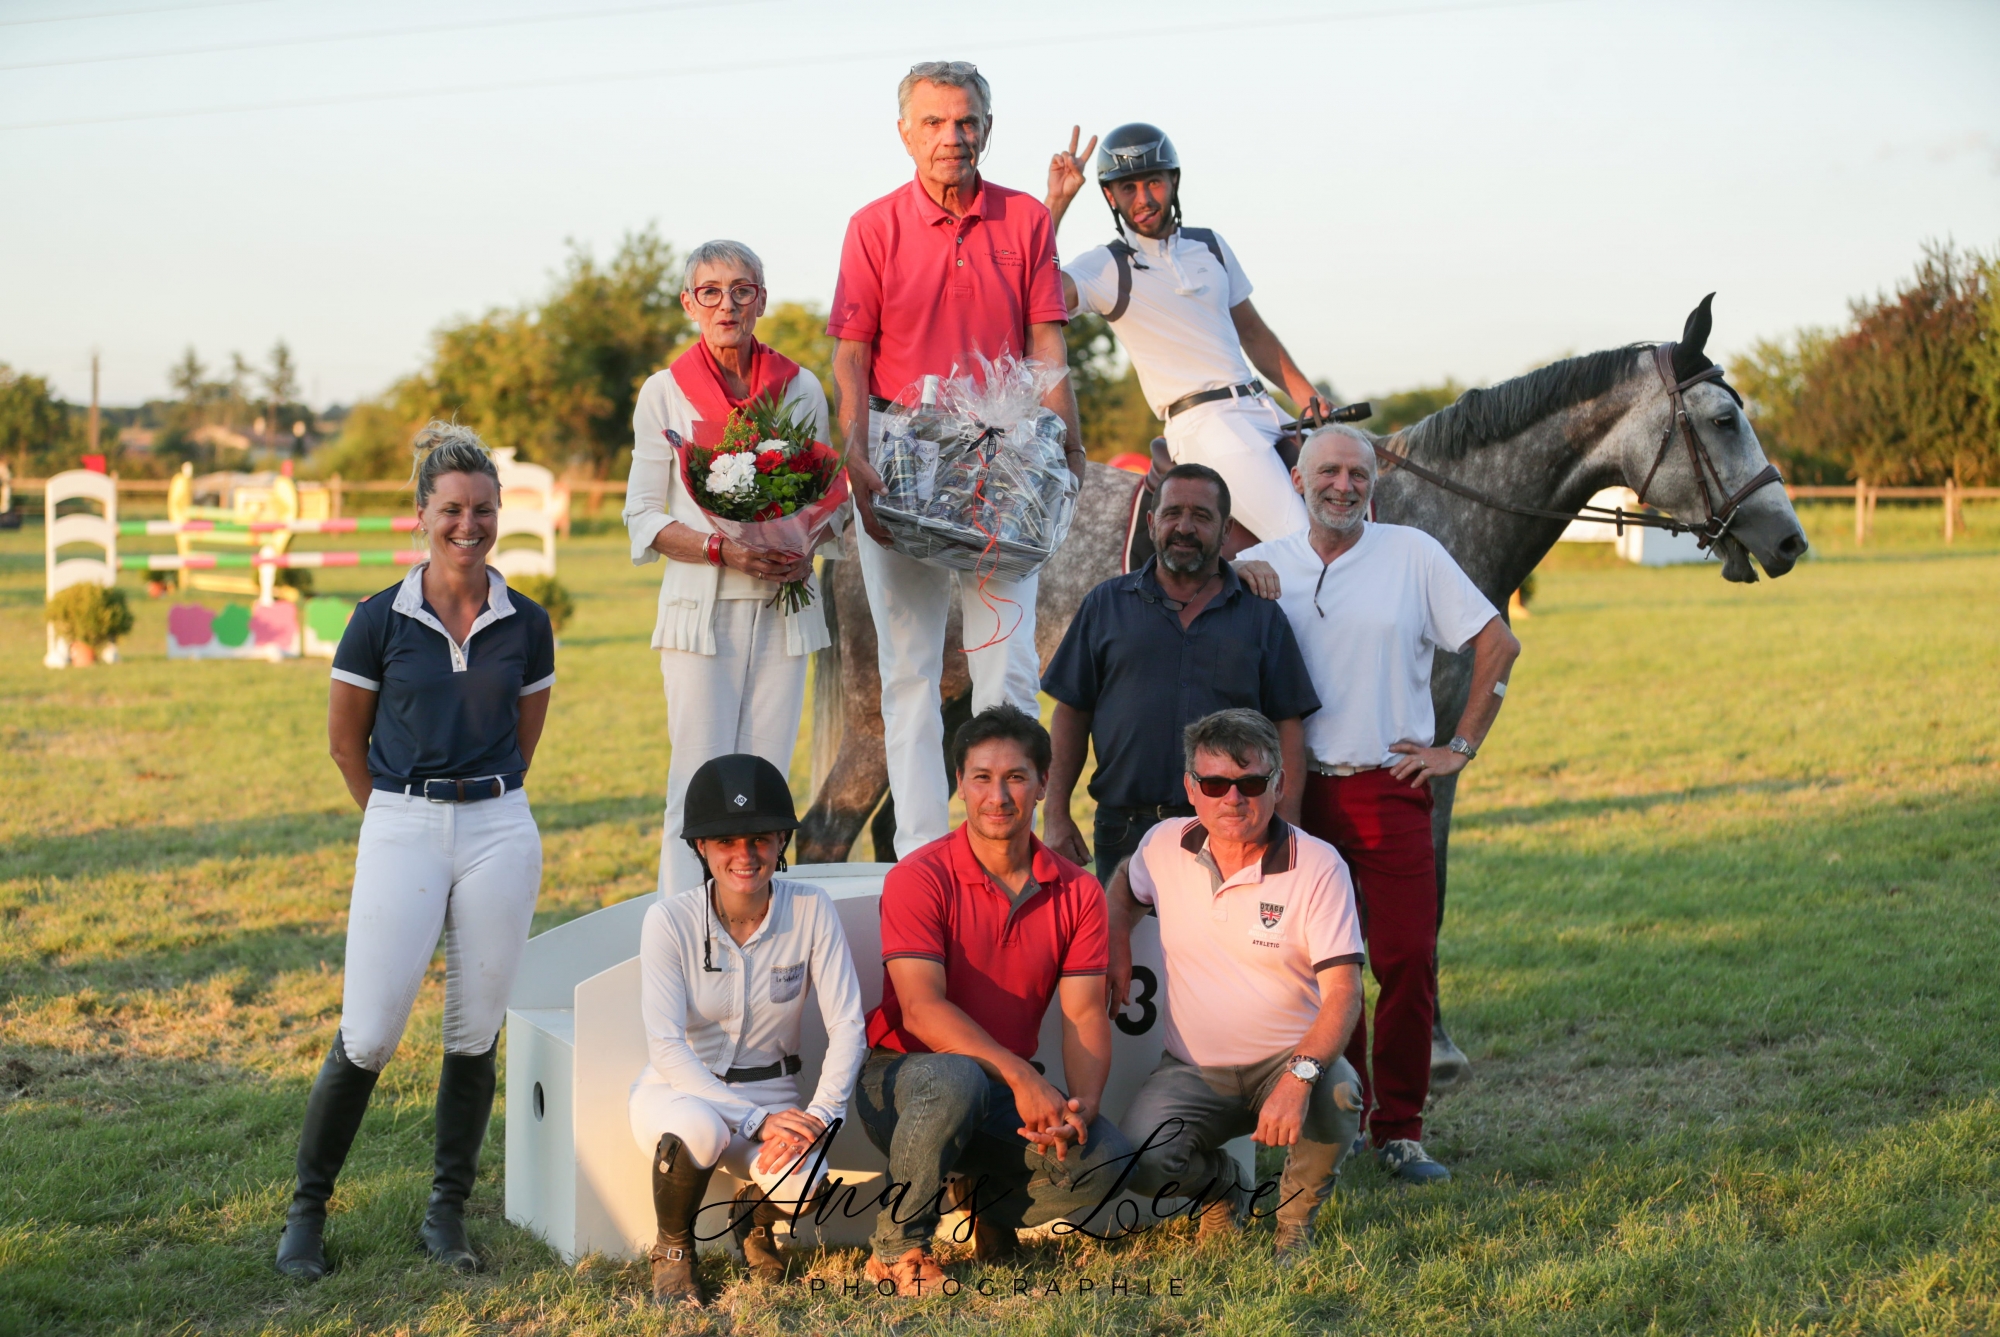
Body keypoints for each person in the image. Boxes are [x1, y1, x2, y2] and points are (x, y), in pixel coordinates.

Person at [278, 422, 556, 1280]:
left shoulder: (528, 623)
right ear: (421, 515)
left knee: (474, 1032)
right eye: (450, 509)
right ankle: (306, 1213)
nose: (466, 525)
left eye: (481, 508)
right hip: (400, 821)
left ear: (499, 511)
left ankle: (446, 1213)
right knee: (368, 1031)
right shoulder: (376, 620)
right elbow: (343, 743)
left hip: (500, 826)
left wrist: (480, 811)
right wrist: (397, 818)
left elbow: (524, 737)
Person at [1237, 425, 1521, 1184]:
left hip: (1389, 785)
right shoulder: (1260, 567)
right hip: (1297, 795)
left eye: (1357, 473)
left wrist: (1457, 748)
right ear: (1297, 482)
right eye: (1327, 470)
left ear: (1374, 483)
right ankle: (1344, 1115)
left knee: (1405, 959)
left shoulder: (1413, 555)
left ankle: (1402, 1127)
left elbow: (1499, 644)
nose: (1343, 484)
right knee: (1318, 965)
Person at [828, 60, 1084, 858]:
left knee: (1005, 669)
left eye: (966, 120)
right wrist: (855, 453)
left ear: (988, 127)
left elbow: (1046, 343)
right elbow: (850, 355)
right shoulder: (873, 225)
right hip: (901, 460)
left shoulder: (1025, 222)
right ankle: (913, 851)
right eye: (935, 122)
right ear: (906, 132)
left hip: (999, 468)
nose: (953, 136)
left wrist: (1067, 441)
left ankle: (1008, 848)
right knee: (907, 675)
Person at [852, 705, 1132, 1295]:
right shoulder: (919, 876)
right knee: (958, 1080)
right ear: (960, 784)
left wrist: (1077, 1110)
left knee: (1103, 1156)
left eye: (1015, 777)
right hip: (903, 1081)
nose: (998, 795)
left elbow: (1084, 1015)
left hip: (1002, 1088)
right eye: (982, 777)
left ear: (1043, 784)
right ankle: (897, 1250)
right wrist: (1020, 1077)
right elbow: (922, 1010)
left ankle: (985, 1203)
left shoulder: (1078, 890)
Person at [1108, 709, 1366, 1264]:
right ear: (1190, 788)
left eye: (1251, 783)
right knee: (1137, 1161)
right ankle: (1224, 1188)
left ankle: (1294, 1227)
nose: (1233, 799)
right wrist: (1117, 944)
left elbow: (1346, 991)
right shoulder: (1162, 845)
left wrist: (1298, 1079)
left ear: (1278, 784)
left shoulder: (1319, 867)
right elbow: (1125, 886)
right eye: (1215, 783)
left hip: (1289, 1059)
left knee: (1340, 1091)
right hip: (1192, 1069)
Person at [625, 240, 832, 898]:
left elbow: (825, 496)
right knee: (698, 782)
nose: (727, 303)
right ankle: (682, 939)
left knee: (767, 781)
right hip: (701, 615)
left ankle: (766, 933)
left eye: (742, 289)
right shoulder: (663, 393)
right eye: (710, 291)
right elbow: (642, 517)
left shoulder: (800, 387)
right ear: (690, 304)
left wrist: (808, 543)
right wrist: (725, 549)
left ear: (762, 299)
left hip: (783, 610)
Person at [632, 753, 867, 1307]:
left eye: (760, 838)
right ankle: (672, 1250)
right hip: (683, 1089)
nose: (746, 855)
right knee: (702, 1130)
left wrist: (819, 1117)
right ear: (700, 848)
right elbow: (667, 1047)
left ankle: (754, 1221)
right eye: (726, 841)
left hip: (773, 1089)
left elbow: (848, 1025)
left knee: (807, 1184)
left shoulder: (811, 908)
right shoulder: (669, 921)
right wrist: (754, 1121)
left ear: (781, 840)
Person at [1044, 122, 1331, 546]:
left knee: (1353, 500)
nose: (1143, 200)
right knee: (1301, 539)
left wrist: (1309, 398)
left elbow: (1255, 334)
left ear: (1173, 180)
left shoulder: (1211, 245)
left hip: (1265, 408)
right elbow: (1032, 290)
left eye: (1154, 182)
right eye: (1128, 188)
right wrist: (1056, 201)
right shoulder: (1106, 266)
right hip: (1203, 424)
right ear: (1110, 196)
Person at [1040, 462, 1320, 880]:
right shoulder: (1106, 605)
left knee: (1226, 947)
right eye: (1172, 514)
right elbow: (1071, 712)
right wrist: (1056, 814)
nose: (1184, 527)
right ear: (1152, 523)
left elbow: (1288, 724)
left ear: (1226, 531)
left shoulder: (1261, 615)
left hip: (1232, 824)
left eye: (1201, 516)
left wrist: (1287, 824)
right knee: (1125, 946)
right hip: (1125, 829)